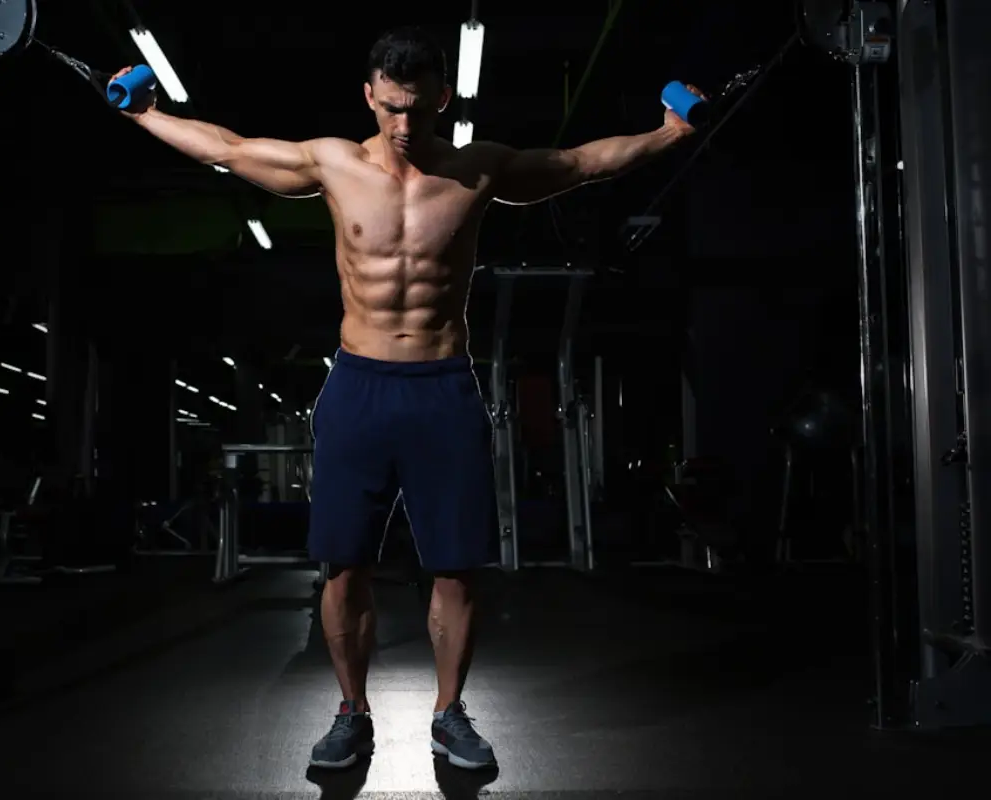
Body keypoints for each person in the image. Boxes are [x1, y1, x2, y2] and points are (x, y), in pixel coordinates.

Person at [112, 26, 699, 771]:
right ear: (369, 96)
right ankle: (351, 713)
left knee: (455, 567)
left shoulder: (478, 170)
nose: (402, 125)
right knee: (344, 565)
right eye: (389, 108)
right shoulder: (333, 163)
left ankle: (449, 713)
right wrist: (146, 115)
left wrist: (670, 132)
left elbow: (582, 163)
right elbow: (228, 147)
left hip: (443, 387)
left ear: (442, 100)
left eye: (417, 110)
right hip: (357, 386)